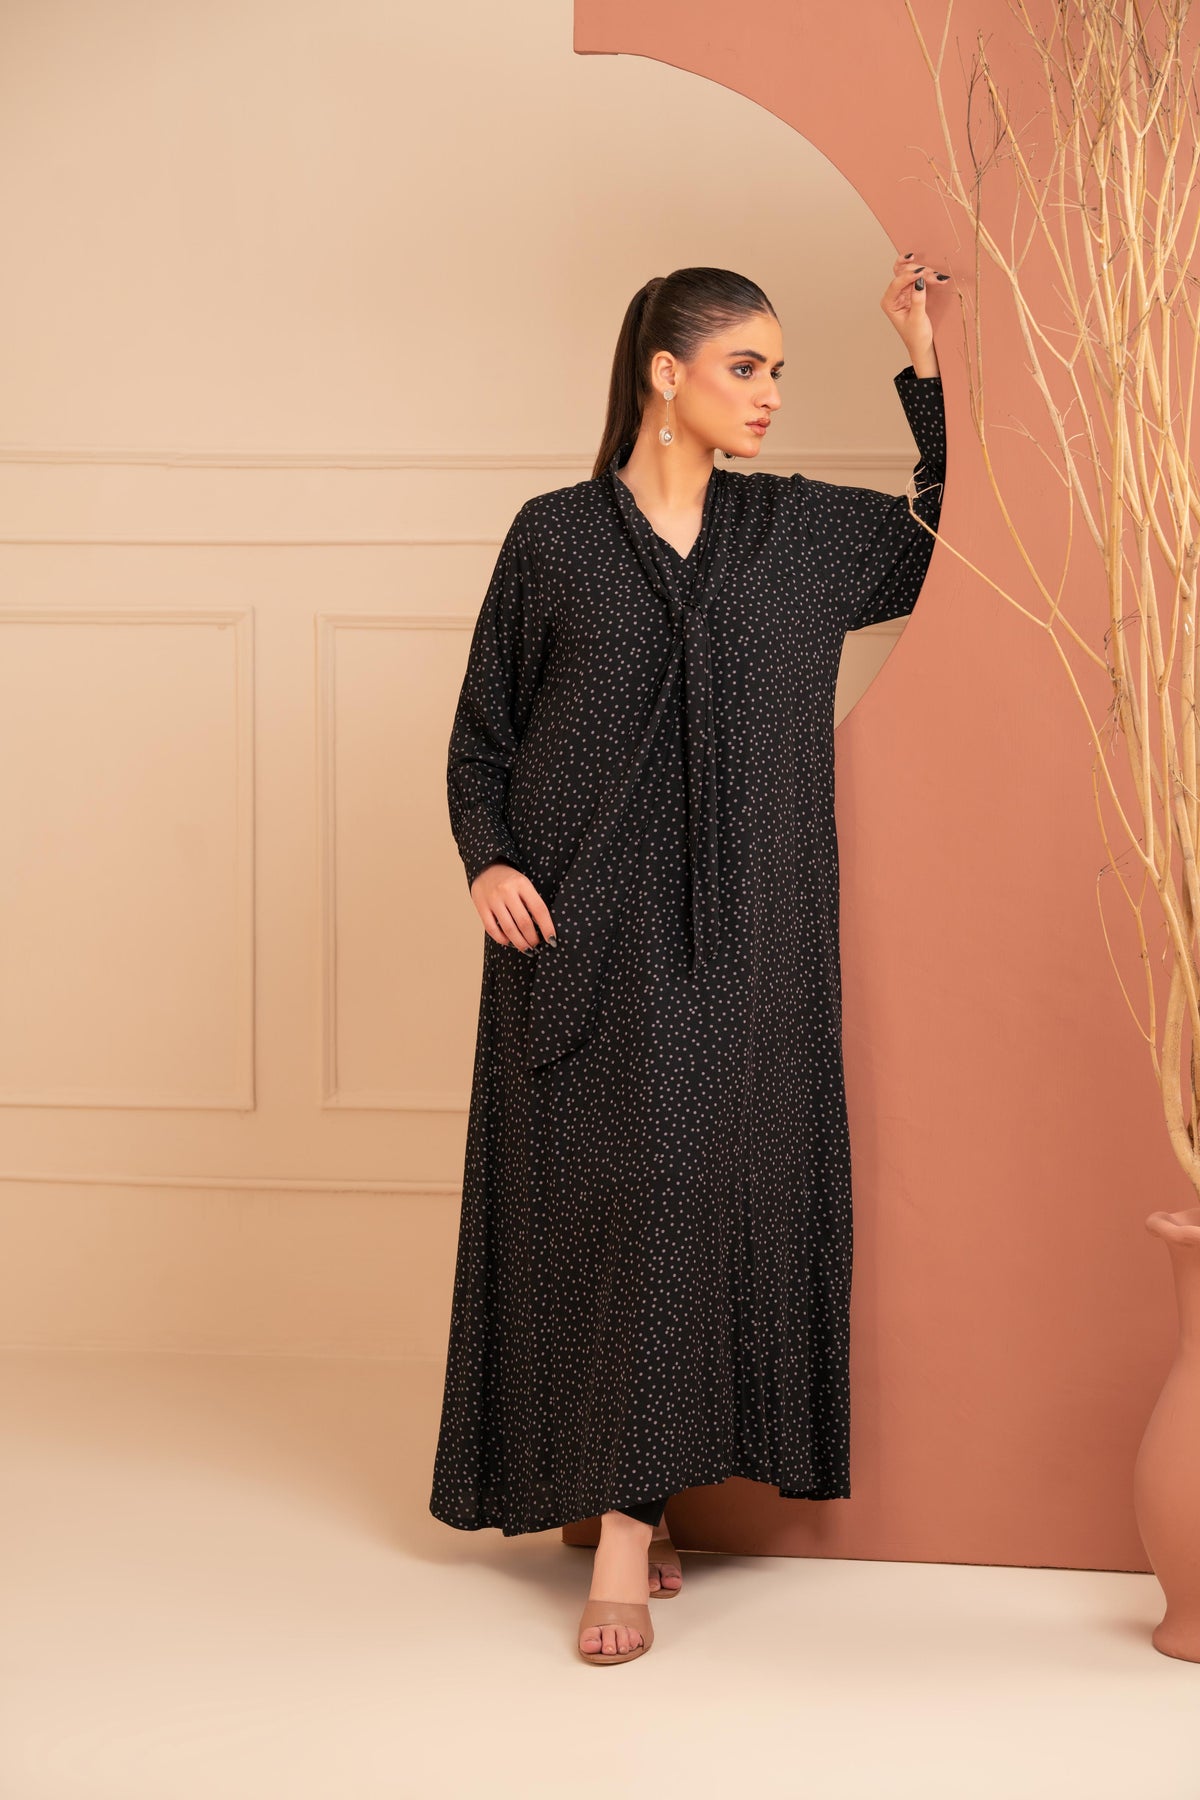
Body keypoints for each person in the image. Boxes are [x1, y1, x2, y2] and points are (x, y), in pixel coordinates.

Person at [429, 260, 948, 1665]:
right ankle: (620, 1502)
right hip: (580, 940)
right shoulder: (554, 538)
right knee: (602, 1220)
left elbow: (946, 533)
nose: (771, 395)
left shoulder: (799, 535)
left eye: (779, 371)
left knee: (693, 1209)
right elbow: (483, 735)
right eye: (746, 367)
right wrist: (488, 860)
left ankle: (623, 1520)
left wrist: (921, 358)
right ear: (666, 374)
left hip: (749, 949)